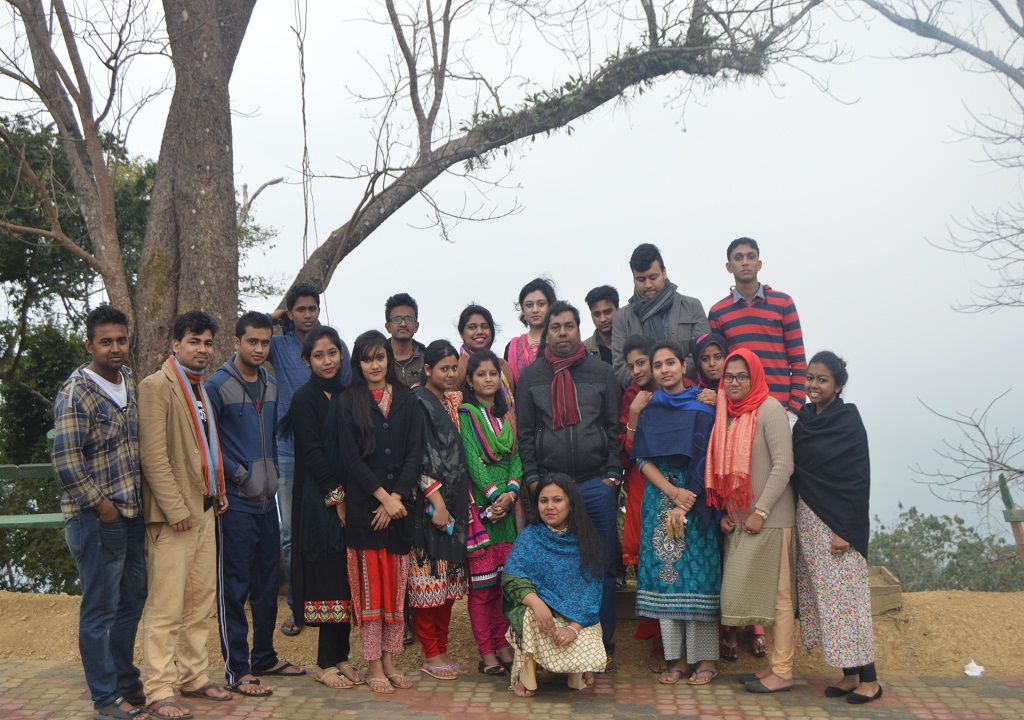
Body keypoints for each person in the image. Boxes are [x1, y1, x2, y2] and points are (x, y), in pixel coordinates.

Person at [53, 306, 148, 720]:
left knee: (133, 597)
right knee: (99, 609)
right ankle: (105, 699)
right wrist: (102, 505)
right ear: (89, 344)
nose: (115, 348)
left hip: (130, 513)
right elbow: (67, 462)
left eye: (121, 340)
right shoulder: (77, 392)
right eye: (106, 341)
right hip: (95, 517)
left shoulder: (127, 382)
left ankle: (125, 679)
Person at [516, 301, 623, 665]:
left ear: (579, 329)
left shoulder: (602, 372)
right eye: (555, 327)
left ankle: (601, 643)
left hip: (596, 484)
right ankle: (557, 645)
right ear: (546, 333)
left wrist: (612, 475)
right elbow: (526, 434)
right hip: (552, 487)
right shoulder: (531, 376)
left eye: (568, 326)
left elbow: (613, 428)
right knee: (557, 568)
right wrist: (533, 480)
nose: (562, 333)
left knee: (601, 564)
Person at [138, 310, 232, 716]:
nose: (202, 349)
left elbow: (206, 445)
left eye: (208, 342)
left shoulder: (199, 387)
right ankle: (159, 688)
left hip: (205, 507)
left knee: (199, 601)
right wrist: (176, 508)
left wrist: (219, 491)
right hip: (174, 515)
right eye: (194, 341)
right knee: (166, 606)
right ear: (175, 345)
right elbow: (154, 455)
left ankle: (193, 676)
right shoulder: (156, 386)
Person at [206, 312, 304, 696]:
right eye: (252, 342)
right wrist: (239, 476)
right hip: (236, 504)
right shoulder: (216, 385)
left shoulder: (271, 383)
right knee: (235, 586)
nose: (260, 349)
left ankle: (264, 656)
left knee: (267, 583)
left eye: (265, 343)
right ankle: (238, 669)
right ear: (236, 342)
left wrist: (271, 478)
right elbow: (208, 443)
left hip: (267, 503)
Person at [792, 352, 881, 704]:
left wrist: (844, 529)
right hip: (809, 519)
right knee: (826, 601)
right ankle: (850, 674)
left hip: (838, 526)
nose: (814, 385)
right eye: (810, 377)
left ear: (838, 385)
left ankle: (870, 680)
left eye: (822, 379)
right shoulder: (804, 419)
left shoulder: (847, 421)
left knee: (848, 602)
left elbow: (857, 480)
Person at [338, 330, 424, 694]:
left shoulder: (407, 400)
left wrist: (396, 498)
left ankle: (391, 661)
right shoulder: (347, 401)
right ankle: (373, 664)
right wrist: (382, 498)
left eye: (380, 357)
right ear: (358, 364)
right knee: (371, 594)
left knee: (394, 591)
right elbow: (350, 459)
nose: (374, 365)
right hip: (364, 512)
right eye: (367, 359)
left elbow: (414, 454)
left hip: (399, 510)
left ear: (389, 360)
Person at [706, 349, 795, 695]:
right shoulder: (727, 412)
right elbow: (729, 470)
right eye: (729, 376)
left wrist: (760, 511)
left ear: (755, 376)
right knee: (764, 601)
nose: (735, 382)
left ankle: (783, 671)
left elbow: (783, 465)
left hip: (771, 520)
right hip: (742, 521)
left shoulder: (770, 409)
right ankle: (773, 666)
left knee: (779, 599)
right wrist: (729, 512)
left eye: (742, 376)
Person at [632, 342, 720, 686]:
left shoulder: (703, 406)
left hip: (698, 499)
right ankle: (678, 658)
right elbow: (642, 459)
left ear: (683, 366)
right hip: (660, 499)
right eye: (657, 365)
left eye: (670, 363)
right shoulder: (651, 409)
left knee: (699, 577)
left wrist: (687, 499)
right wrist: (672, 495)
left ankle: (706, 657)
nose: (664, 370)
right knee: (667, 578)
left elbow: (710, 455)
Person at [269, 282, 352, 637]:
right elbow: (240, 343)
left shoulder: (335, 345)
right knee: (293, 535)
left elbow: (348, 391)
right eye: (299, 309)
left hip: (334, 456)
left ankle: (337, 606)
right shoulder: (276, 344)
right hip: (291, 454)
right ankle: (298, 606)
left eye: (312, 308)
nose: (307, 315)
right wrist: (273, 318)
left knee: (335, 533)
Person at [288, 326, 365, 689]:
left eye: (332, 352)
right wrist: (337, 498)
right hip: (321, 501)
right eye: (318, 355)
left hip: (350, 496)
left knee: (348, 577)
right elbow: (313, 452)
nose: (327, 360)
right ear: (307, 361)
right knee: (330, 576)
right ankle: (322, 663)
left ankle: (342, 657)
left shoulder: (349, 393)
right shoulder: (305, 399)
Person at [694, 333, 766, 661]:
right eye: (705, 359)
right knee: (726, 566)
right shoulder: (698, 396)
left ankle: (757, 628)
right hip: (718, 499)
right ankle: (730, 631)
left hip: (750, 498)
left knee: (751, 566)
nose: (712, 365)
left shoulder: (753, 404)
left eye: (717, 358)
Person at [502, 473, 607, 697]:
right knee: (528, 615)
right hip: (543, 617)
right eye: (543, 500)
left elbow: (592, 593)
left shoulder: (587, 540)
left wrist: (572, 628)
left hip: (575, 618)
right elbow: (512, 578)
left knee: (588, 635)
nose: (549, 507)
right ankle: (527, 676)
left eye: (557, 500)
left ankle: (578, 671)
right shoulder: (530, 537)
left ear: (571, 503)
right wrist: (538, 604)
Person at [458, 349, 521, 676]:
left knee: (502, 585)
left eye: (493, 374)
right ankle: (486, 652)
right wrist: (494, 497)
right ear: (470, 380)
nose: (488, 380)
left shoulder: (508, 416)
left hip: (507, 512)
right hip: (480, 508)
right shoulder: (466, 414)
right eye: (481, 374)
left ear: (501, 379)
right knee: (482, 587)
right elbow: (471, 459)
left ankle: (502, 642)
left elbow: (517, 459)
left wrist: (510, 495)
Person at [410, 340, 470, 680]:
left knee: (446, 584)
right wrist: (438, 502)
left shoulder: (453, 401)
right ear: (428, 369)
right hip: (428, 504)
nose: (449, 374)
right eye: (443, 368)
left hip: (456, 505)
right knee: (427, 583)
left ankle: (442, 649)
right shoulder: (417, 402)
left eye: (453, 368)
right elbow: (419, 455)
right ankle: (430, 653)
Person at [707, 238, 806, 422]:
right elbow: (719, 368)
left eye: (750, 256)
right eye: (738, 257)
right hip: (739, 410)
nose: (745, 262)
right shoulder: (717, 313)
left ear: (759, 264)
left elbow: (798, 359)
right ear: (729, 266)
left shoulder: (783, 303)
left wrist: (795, 407)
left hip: (781, 407)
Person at [617, 335, 664, 672]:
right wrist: (634, 413)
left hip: (675, 480)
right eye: (630, 365)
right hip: (641, 478)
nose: (636, 370)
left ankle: (669, 641)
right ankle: (653, 632)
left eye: (641, 363)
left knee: (672, 551)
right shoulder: (631, 397)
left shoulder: (681, 388)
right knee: (646, 548)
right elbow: (628, 450)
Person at [611, 243, 710, 388]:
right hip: (644, 400)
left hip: (690, 395)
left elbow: (702, 353)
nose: (648, 285)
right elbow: (620, 365)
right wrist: (652, 387)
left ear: (664, 272)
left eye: (653, 277)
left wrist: (673, 380)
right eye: (641, 279)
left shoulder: (692, 307)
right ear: (633, 278)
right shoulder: (622, 317)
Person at [453, 304, 515, 407]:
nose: (479, 332)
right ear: (461, 333)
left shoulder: (503, 365)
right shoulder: (456, 366)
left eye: (485, 327)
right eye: (472, 327)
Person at [504, 278, 556, 384]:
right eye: (529, 305)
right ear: (523, 310)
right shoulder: (512, 347)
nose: (535, 310)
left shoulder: (561, 341)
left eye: (541, 304)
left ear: (550, 306)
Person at [385, 292, 427, 388]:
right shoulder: (379, 358)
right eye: (396, 319)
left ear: (416, 326)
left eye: (409, 319)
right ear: (388, 327)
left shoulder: (426, 357)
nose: (403, 324)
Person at [583, 285, 619, 365]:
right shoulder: (584, 351)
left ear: (618, 310)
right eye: (597, 314)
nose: (603, 319)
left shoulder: (634, 339)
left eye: (607, 312)